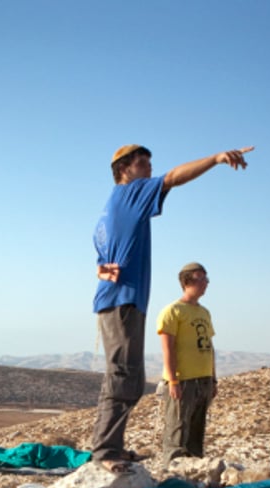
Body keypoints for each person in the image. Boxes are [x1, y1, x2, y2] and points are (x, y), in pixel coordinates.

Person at [90, 143, 253, 470]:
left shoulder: (112, 207)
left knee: (132, 379)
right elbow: (174, 178)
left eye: (150, 163)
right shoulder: (131, 193)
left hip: (123, 300)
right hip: (122, 302)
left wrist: (102, 269)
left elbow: (101, 255)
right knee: (123, 375)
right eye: (143, 163)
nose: (150, 169)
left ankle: (113, 447)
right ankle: (105, 451)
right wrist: (216, 158)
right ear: (125, 169)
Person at [157, 262, 217, 461]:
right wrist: (173, 380)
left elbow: (209, 345)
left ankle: (195, 476)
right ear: (187, 281)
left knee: (196, 434)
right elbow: (168, 348)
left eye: (206, 278)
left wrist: (213, 379)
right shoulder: (172, 311)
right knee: (177, 431)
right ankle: (172, 476)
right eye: (202, 278)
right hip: (183, 381)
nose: (206, 283)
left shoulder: (204, 312)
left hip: (203, 380)